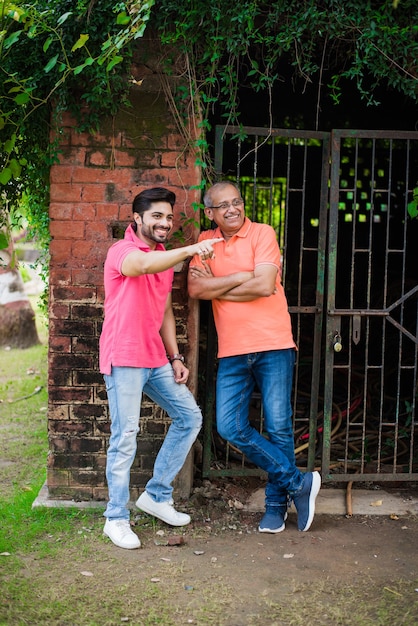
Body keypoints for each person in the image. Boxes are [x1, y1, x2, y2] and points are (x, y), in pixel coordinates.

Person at [188, 181, 321, 533]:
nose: (233, 209)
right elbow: (196, 289)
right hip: (232, 348)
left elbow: (265, 285)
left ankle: (276, 508)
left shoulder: (263, 233)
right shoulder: (206, 241)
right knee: (228, 425)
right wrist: (244, 276)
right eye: (223, 205)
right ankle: (298, 483)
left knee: (278, 426)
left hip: (273, 342)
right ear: (210, 212)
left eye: (237, 202)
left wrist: (222, 282)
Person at [100, 187, 222, 549]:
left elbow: (165, 309)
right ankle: (115, 518)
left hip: (154, 358)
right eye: (157, 216)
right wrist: (188, 251)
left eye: (168, 217)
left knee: (189, 417)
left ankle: (156, 495)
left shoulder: (164, 257)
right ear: (137, 218)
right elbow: (140, 266)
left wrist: (175, 357)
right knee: (125, 438)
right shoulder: (122, 252)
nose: (165, 223)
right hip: (123, 356)